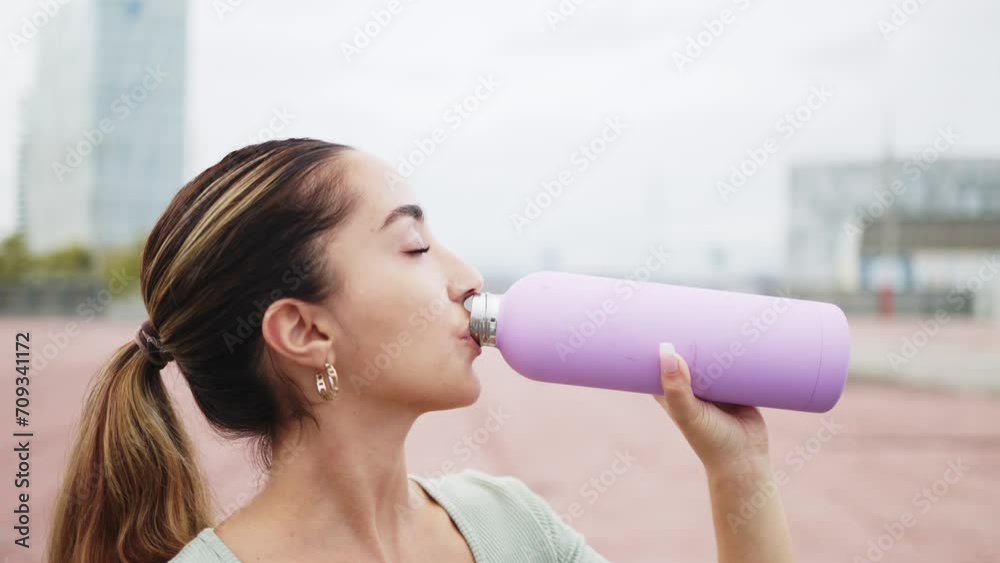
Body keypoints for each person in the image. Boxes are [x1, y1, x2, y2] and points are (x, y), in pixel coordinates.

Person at [47, 139, 794, 562]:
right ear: (305, 330)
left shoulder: (512, 526)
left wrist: (738, 470)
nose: (467, 279)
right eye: (413, 247)